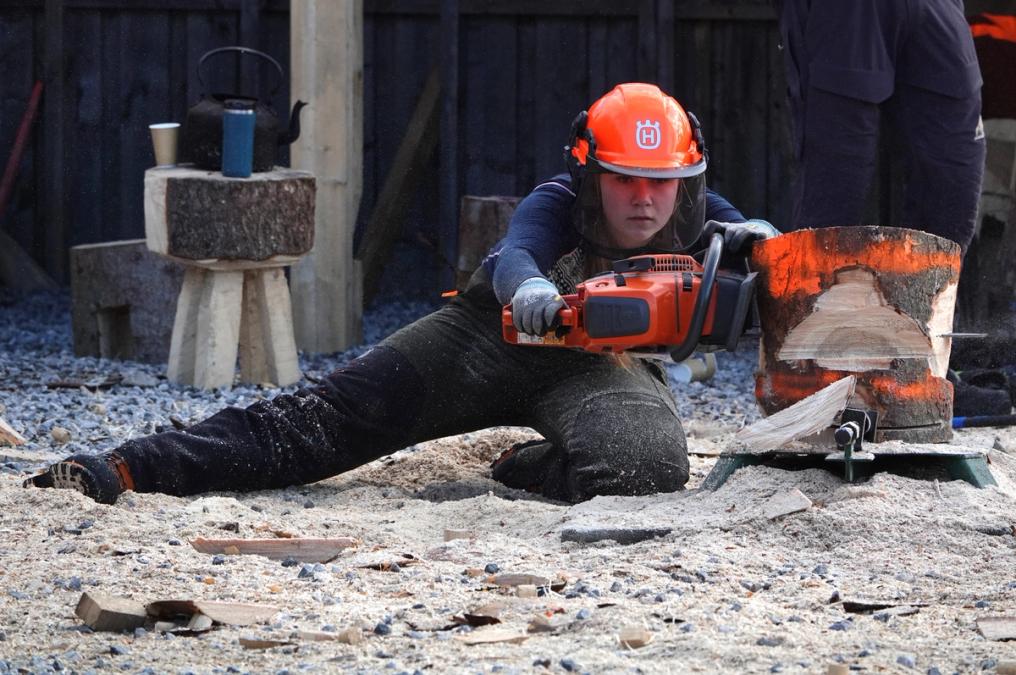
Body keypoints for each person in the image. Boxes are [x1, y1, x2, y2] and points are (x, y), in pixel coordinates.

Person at [26, 83, 778, 505]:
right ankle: (127, 465)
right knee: (317, 423)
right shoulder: (557, 201)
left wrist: (759, 240)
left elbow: (744, 231)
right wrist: (537, 292)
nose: (644, 200)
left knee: (648, 467)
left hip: (602, 367)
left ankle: (526, 467)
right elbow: (518, 252)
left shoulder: (698, 213)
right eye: (625, 179)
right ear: (592, 173)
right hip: (488, 340)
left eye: (660, 183)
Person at [776, 0, 986, 252]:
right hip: (843, 11)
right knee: (833, 196)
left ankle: (927, 290)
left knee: (953, 191)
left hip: (936, 8)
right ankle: (819, 289)